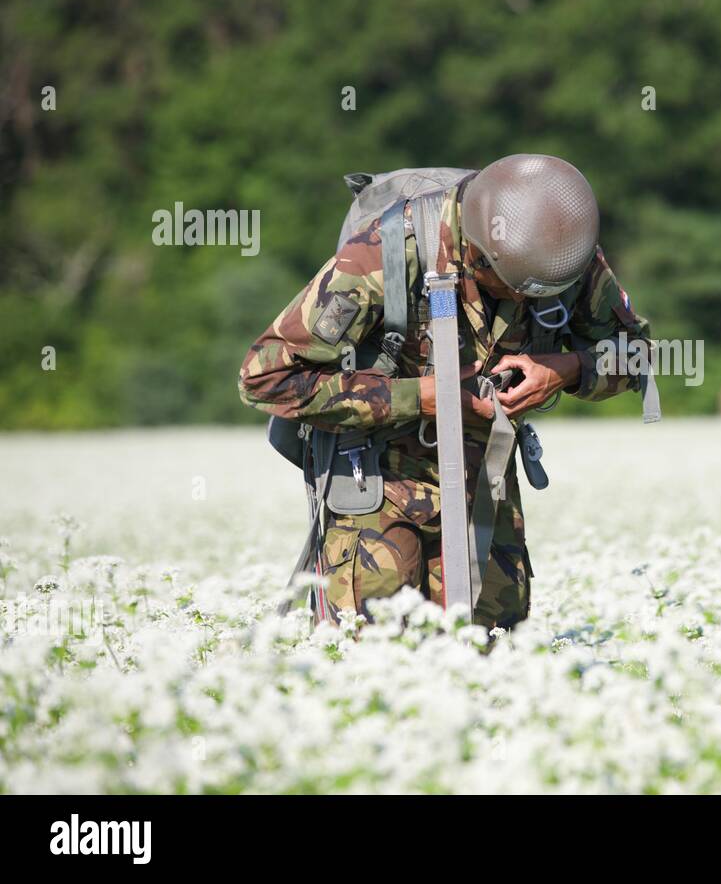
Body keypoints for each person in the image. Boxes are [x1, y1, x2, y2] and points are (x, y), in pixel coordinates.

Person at [238, 154, 653, 629]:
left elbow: (637, 353)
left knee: (491, 659)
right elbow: (264, 377)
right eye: (512, 288)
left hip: (485, 485)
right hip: (376, 481)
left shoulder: (561, 257)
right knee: (374, 660)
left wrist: (568, 368)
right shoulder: (384, 256)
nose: (525, 302)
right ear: (474, 252)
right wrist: (420, 397)